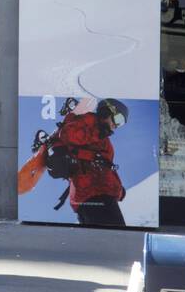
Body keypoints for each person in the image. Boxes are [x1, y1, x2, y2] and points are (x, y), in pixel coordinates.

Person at [44, 97, 129, 226]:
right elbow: (68, 134)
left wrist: (118, 189)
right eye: (118, 119)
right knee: (115, 239)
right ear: (106, 112)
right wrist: (97, 133)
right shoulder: (91, 122)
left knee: (109, 240)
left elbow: (105, 167)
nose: (116, 126)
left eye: (121, 123)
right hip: (93, 194)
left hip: (99, 196)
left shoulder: (105, 141)